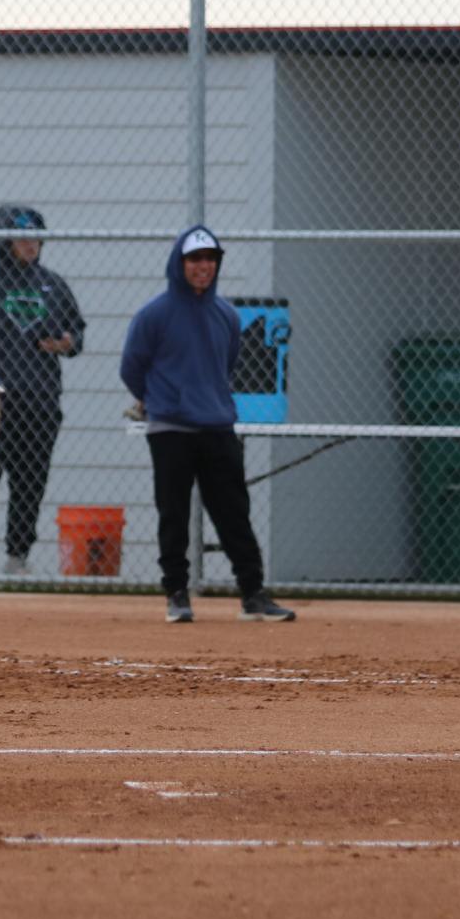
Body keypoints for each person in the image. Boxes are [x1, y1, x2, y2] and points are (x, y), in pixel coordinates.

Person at [120, 226, 296, 624]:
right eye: (195, 259)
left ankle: (253, 595)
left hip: (217, 425)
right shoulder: (154, 315)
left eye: (210, 259)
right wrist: (161, 400)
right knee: (174, 513)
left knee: (234, 512)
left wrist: (208, 400)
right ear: (179, 264)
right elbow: (132, 367)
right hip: (171, 429)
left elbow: (227, 363)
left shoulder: (226, 315)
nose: (203, 267)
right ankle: (177, 595)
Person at [0, 204, 85, 575]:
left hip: (39, 402)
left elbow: (77, 334)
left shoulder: (53, 284)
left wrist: (66, 343)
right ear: (3, 240)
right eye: (22, 236)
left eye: (36, 236)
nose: (31, 244)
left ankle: (18, 557)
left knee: (30, 480)